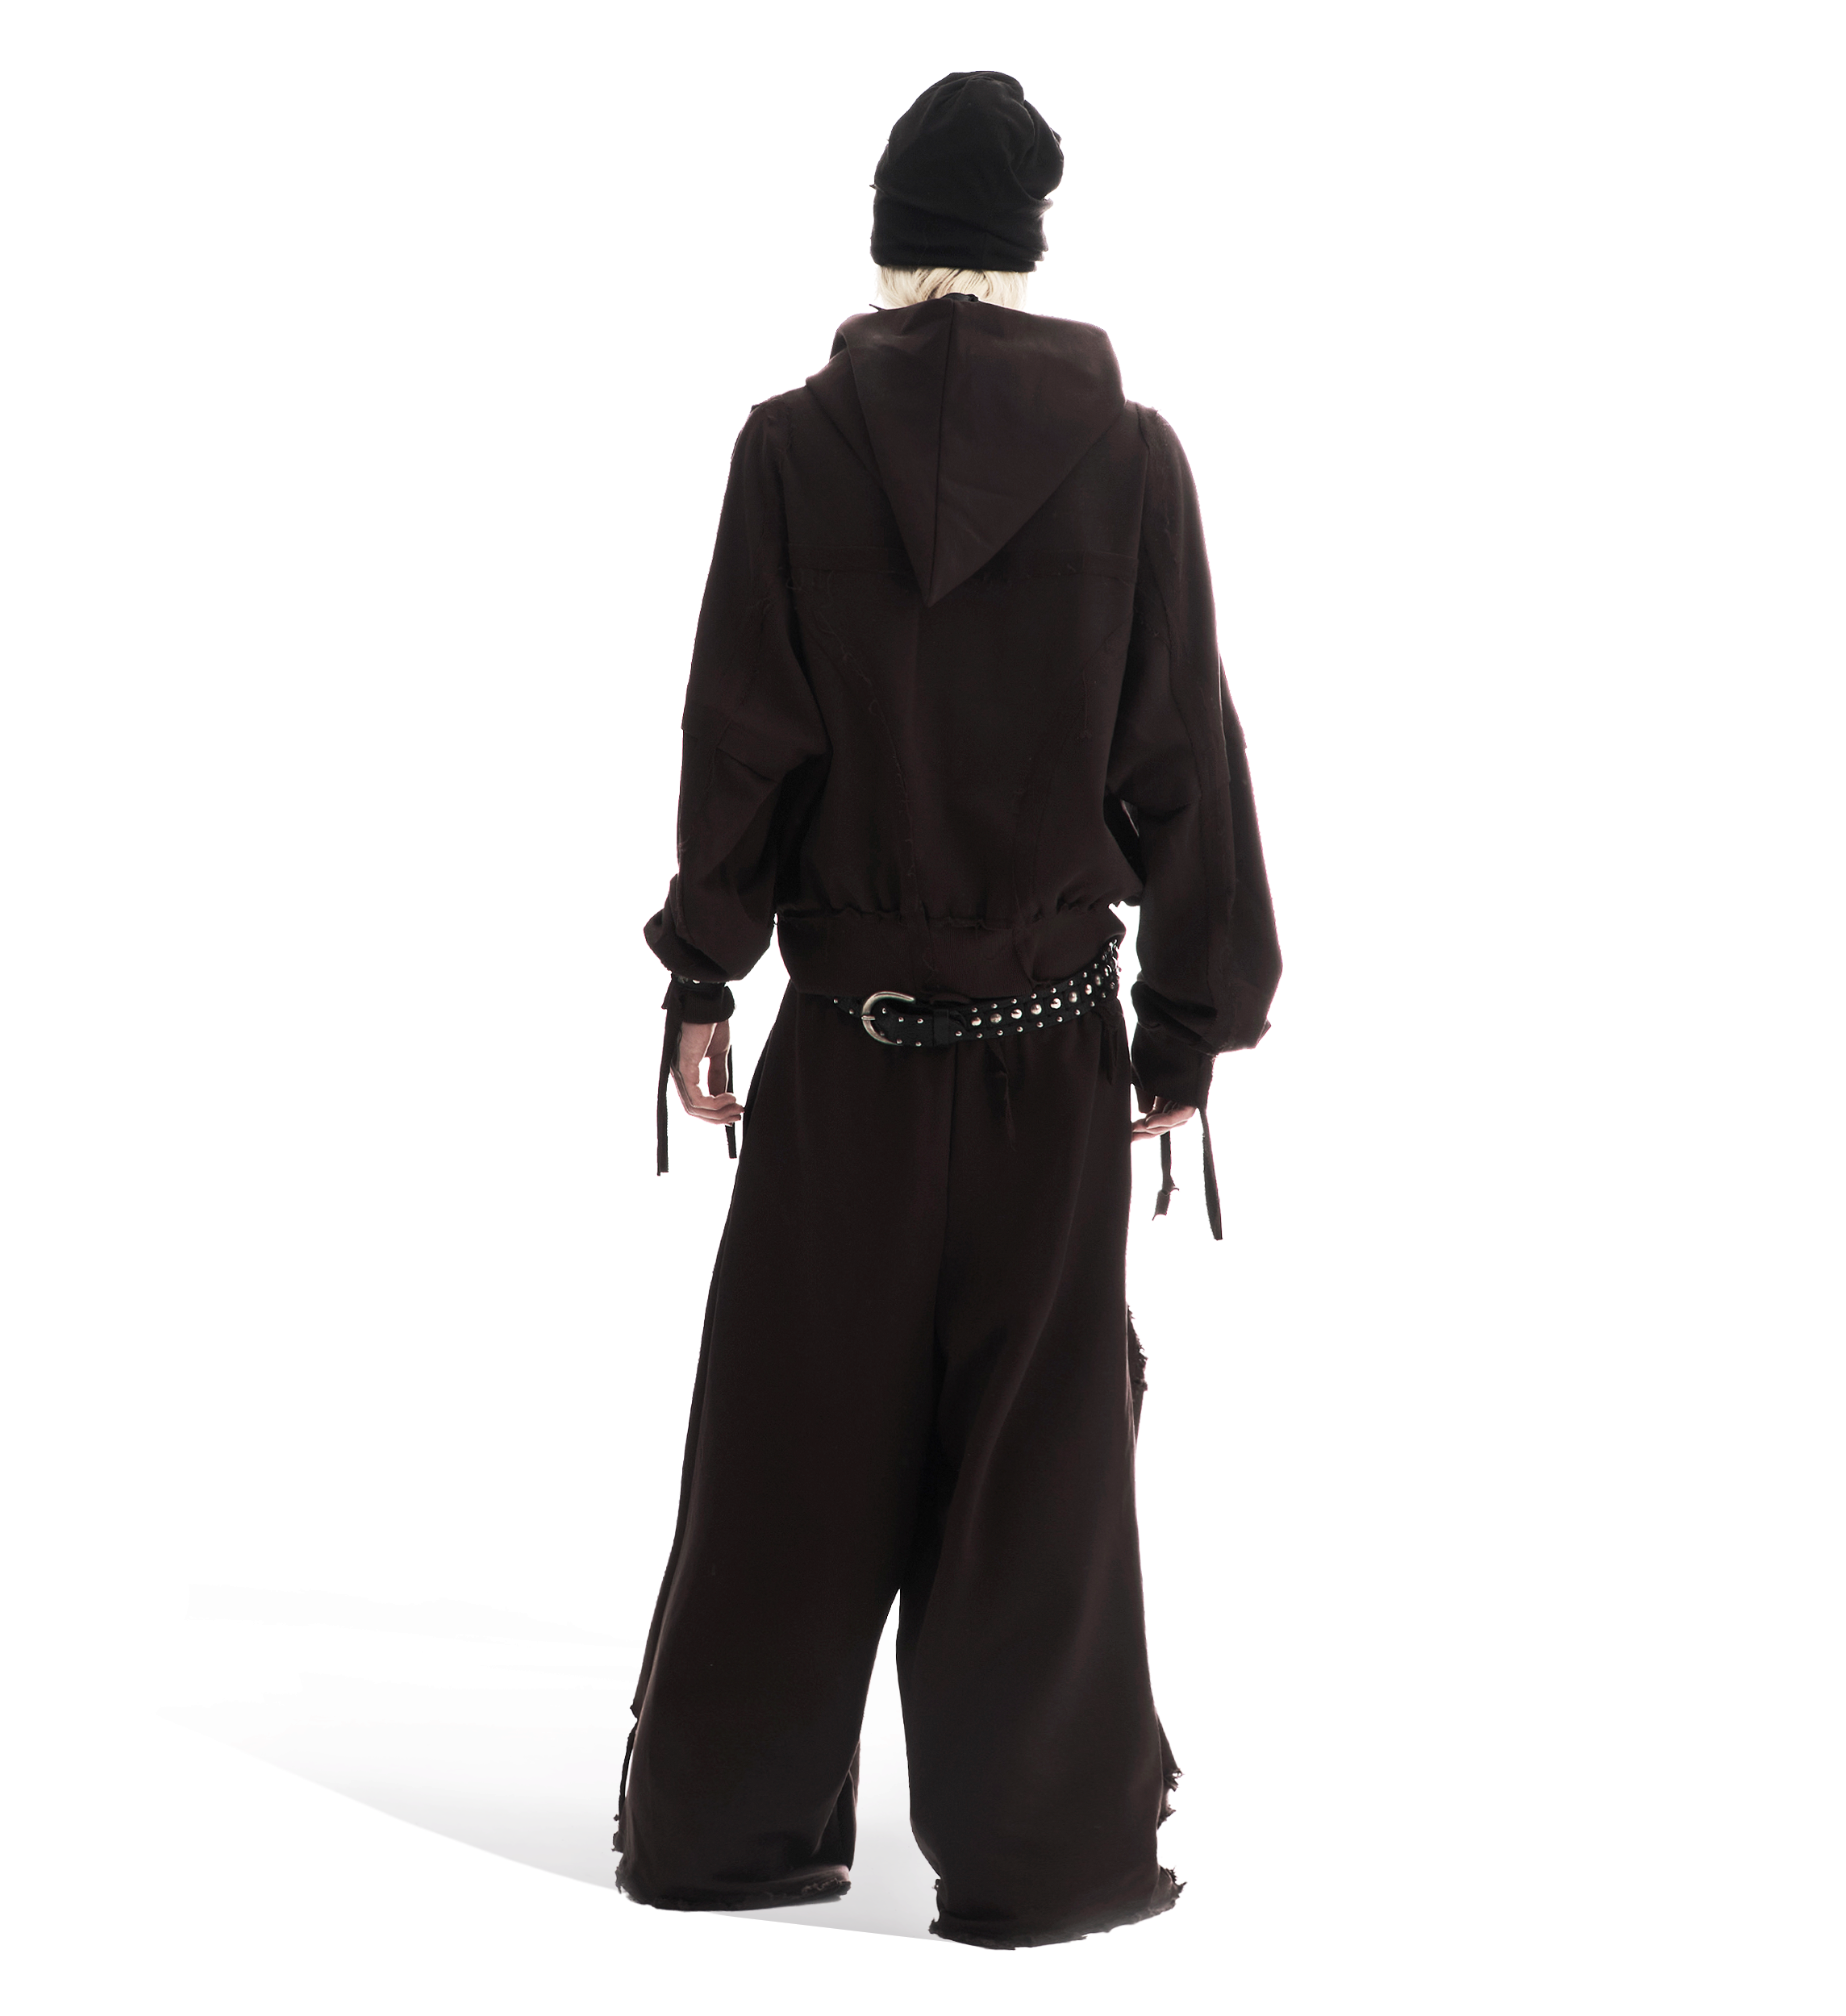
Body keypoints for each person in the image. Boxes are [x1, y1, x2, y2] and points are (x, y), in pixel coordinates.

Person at [614, 70, 1281, 1949]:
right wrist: (1187, 1025)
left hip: (844, 1042)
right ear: (1025, 245)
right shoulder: (1131, 459)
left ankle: (724, 1834)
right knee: (1037, 1460)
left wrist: (701, 966)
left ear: (888, 241)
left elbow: (743, 736)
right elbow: (1183, 758)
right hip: (1052, 1048)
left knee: (790, 1429)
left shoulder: (787, 449)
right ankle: (1040, 1862)